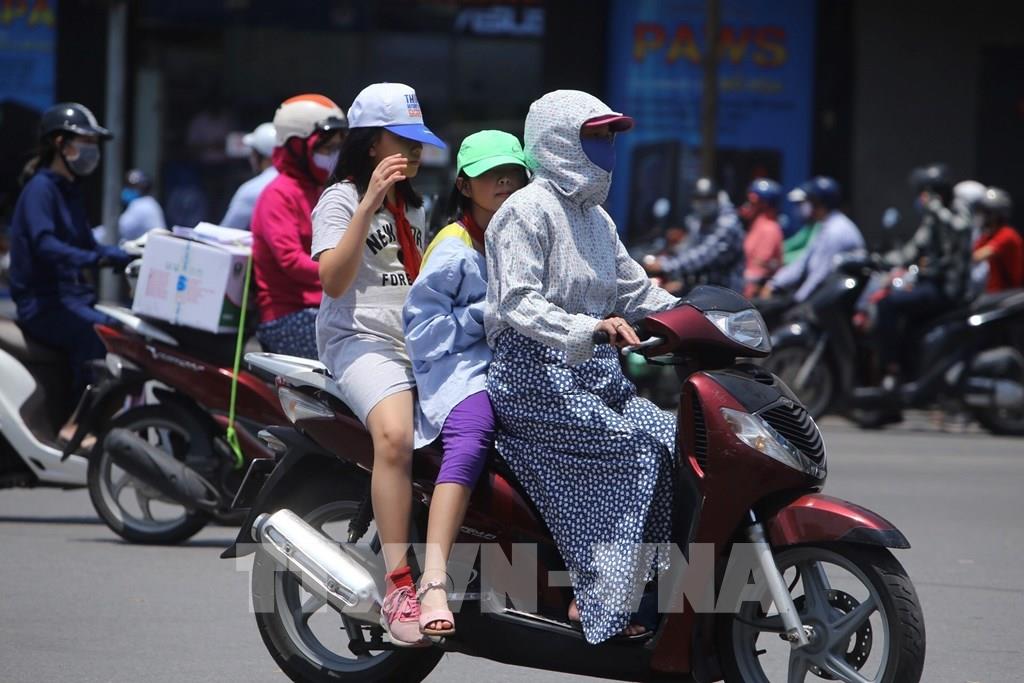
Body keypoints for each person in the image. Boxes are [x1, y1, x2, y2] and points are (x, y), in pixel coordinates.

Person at [485, 90, 679, 644]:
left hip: (597, 376)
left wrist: (701, 316)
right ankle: (597, 597)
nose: (608, 146)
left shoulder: (596, 219)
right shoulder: (523, 211)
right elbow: (518, 301)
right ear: (557, 141)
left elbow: (636, 290)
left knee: (675, 440)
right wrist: (587, 328)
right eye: (595, 135)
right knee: (634, 453)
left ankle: (660, 588)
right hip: (534, 379)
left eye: (611, 135)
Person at [311, 82, 444, 645]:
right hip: (360, 342)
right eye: (403, 140)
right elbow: (332, 280)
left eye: (419, 142)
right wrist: (368, 203)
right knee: (394, 438)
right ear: (371, 145)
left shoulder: (416, 206)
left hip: (416, 344)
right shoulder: (340, 200)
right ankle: (399, 585)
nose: (415, 152)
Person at [402, 130, 529, 637]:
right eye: (490, 175)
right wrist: (486, 314)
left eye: (513, 173)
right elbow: (423, 334)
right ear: (464, 185)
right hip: (458, 370)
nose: (504, 183)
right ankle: (433, 579)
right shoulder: (453, 249)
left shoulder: (521, 238)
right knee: (472, 437)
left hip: (512, 366)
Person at [7, 103, 132, 412]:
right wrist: (96, 260)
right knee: (95, 334)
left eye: (94, 143)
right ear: (60, 144)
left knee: (126, 331)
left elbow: (89, 246)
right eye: (85, 141)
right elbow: (46, 245)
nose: (92, 151)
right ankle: (77, 422)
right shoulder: (40, 190)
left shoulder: (70, 192)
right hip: (44, 304)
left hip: (74, 299)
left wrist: (125, 256)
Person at [250, 95, 347, 359]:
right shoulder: (277, 194)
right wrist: (344, 273)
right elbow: (291, 260)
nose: (333, 156)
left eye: (337, 148)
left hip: (323, 308)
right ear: (296, 147)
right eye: (326, 148)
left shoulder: (321, 191)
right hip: (289, 317)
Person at [872, 163, 973, 388]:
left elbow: (960, 230)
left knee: (887, 304)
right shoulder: (932, 218)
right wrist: (881, 260)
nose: (922, 199)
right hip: (931, 285)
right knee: (907, 325)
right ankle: (909, 378)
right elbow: (914, 249)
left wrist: (936, 208)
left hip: (949, 291)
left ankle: (890, 368)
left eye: (926, 193)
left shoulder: (957, 209)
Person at [762, 176, 864, 302]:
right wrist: (775, 283)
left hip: (832, 302)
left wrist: (798, 301)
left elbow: (820, 274)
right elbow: (803, 262)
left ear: (818, 203)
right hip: (819, 296)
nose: (804, 207)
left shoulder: (836, 230)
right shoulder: (824, 225)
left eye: (808, 202)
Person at [644, 177, 745, 294]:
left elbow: (703, 255)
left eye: (708, 198)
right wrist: (664, 258)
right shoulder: (699, 220)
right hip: (703, 287)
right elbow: (688, 248)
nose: (703, 204)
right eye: (699, 198)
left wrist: (666, 265)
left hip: (727, 292)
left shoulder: (727, 224)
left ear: (717, 199)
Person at [221, 122, 278, 229]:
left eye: (252, 152)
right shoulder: (299, 180)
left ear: (258, 155)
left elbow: (227, 230)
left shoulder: (251, 189)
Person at [739, 178, 784, 297]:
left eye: (753, 203)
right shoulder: (757, 225)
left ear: (764, 205)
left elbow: (759, 269)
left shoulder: (769, 228)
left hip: (754, 296)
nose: (747, 206)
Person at [973, 187, 1023, 293]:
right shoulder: (987, 236)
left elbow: (977, 256)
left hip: (1009, 294)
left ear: (995, 215)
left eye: (985, 212)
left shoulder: (1008, 235)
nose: (981, 217)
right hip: (992, 294)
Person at [117, 169, 165, 242]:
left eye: (133, 187)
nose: (128, 190)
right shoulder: (150, 203)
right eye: (128, 186)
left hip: (150, 247)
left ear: (143, 188)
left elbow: (118, 229)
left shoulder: (141, 205)